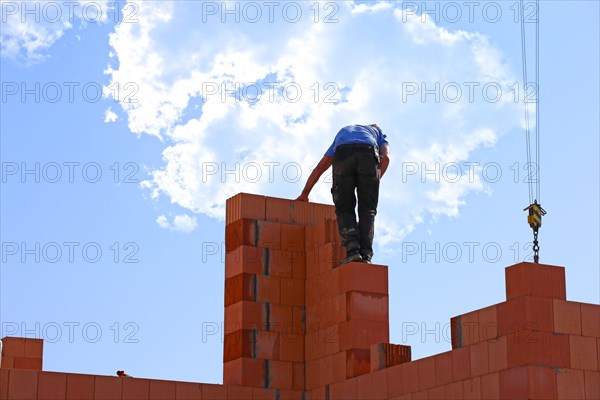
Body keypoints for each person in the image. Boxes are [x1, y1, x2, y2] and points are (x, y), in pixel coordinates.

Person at [296, 124, 390, 264]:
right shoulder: (378, 135)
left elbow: (320, 167)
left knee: (344, 207)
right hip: (368, 154)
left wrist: (305, 194)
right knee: (367, 210)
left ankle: (353, 251)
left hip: (343, 153)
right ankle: (366, 256)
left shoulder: (344, 133)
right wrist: (374, 181)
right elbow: (386, 158)